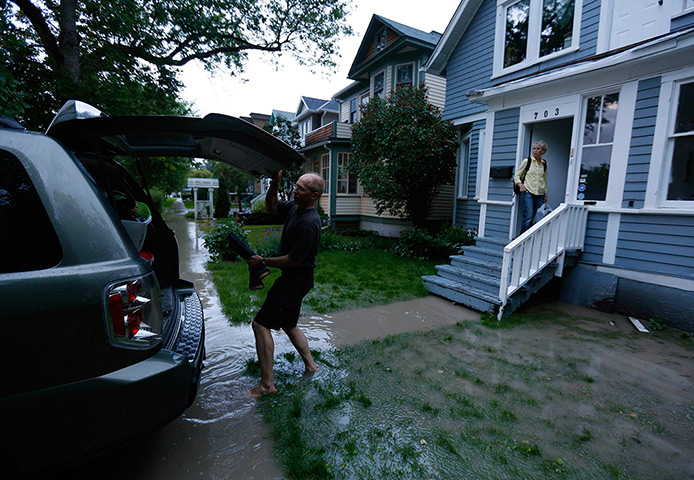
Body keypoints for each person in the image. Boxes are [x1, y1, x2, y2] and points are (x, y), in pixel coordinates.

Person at [246, 170, 324, 397]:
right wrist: (274, 183)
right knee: (289, 324)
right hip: (296, 281)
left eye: (301, 189)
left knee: (260, 325)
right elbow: (271, 206)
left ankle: (267, 385)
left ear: (314, 195)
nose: (295, 191)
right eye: (296, 186)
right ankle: (311, 366)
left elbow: (294, 260)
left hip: (294, 281)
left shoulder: (309, 223)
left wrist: (264, 261)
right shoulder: (295, 208)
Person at [514, 140, 548, 233]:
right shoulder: (527, 161)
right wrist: (520, 185)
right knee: (528, 217)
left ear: (543, 151)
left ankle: (530, 240)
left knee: (534, 217)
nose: (535, 151)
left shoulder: (544, 163)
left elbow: (544, 179)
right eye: (534, 149)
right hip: (527, 192)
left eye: (538, 149)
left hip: (539, 193)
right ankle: (521, 242)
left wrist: (545, 194)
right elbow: (516, 175)